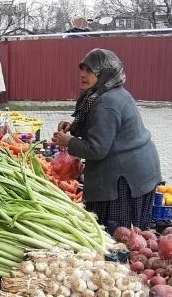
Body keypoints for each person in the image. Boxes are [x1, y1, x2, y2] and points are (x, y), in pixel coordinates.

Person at [51, 48, 162, 231]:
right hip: (135, 170)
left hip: (125, 178)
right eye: (82, 69)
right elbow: (100, 128)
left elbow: (97, 149)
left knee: (120, 234)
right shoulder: (103, 93)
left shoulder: (107, 102)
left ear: (105, 73)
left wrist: (69, 142)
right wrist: (74, 128)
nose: (83, 74)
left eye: (90, 70)